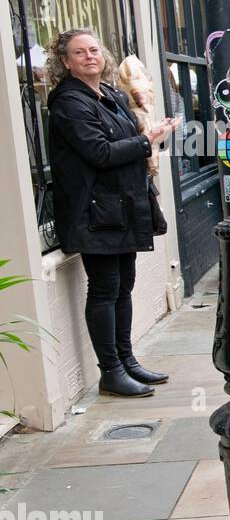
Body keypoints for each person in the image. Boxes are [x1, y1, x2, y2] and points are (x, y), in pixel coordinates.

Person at [47, 28, 177, 397]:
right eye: (79, 52)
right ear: (66, 62)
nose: (90, 56)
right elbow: (100, 153)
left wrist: (151, 132)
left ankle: (127, 360)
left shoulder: (112, 95)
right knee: (105, 289)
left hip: (122, 205)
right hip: (94, 211)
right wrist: (145, 141)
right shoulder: (69, 103)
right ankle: (111, 372)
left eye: (94, 50)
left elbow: (125, 141)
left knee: (124, 286)